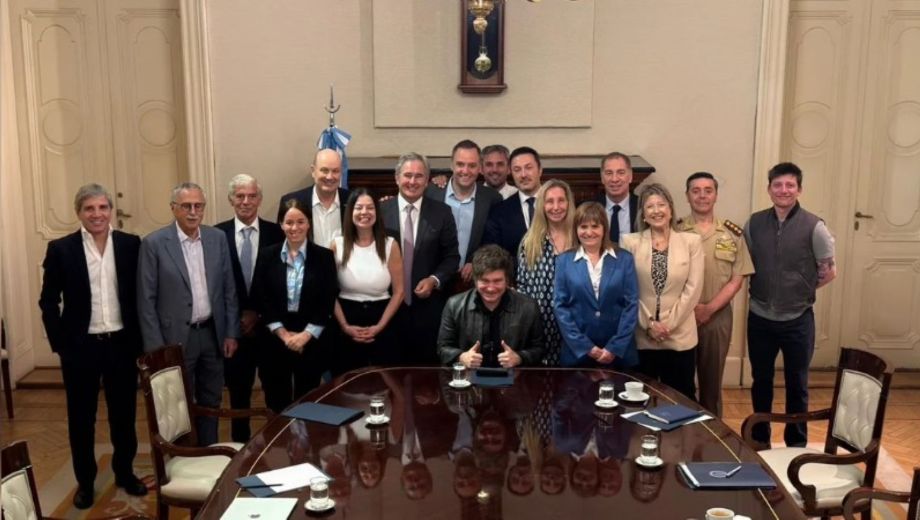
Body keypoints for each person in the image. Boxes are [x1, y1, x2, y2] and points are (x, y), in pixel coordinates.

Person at [38, 184, 148, 509]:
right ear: (79, 213)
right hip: (80, 347)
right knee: (81, 418)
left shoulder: (130, 245)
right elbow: (47, 301)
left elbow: (140, 295)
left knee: (124, 416)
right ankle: (85, 482)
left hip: (121, 345)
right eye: (90, 209)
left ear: (111, 211)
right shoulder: (61, 249)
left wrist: (141, 341)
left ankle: (125, 472)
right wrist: (60, 343)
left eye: (102, 208)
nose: (97, 214)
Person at [138, 182, 238, 446]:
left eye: (198, 206)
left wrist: (230, 332)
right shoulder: (154, 244)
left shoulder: (217, 238)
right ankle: (183, 459)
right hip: (174, 340)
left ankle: (209, 455)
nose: (193, 212)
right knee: (176, 405)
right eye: (186, 206)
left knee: (211, 399)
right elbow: (145, 301)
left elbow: (229, 289)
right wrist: (156, 349)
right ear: (174, 209)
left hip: (212, 334)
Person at [744, 162, 836, 447]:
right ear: (769, 189)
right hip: (759, 317)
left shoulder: (814, 226)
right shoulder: (754, 223)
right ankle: (760, 440)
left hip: (798, 320)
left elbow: (829, 271)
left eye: (790, 185)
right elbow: (745, 264)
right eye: (778, 185)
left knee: (798, 385)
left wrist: (800, 290)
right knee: (761, 381)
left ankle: (796, 444)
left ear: (799, 189)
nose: (783, 190)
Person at [676, 172, 754, 418]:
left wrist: (709, 309)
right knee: (681, 385)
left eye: (707, 190)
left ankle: (712, 441)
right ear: (687, 196)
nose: (702, 195)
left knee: (711, 386)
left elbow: (737, 278)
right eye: (695, 190)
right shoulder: (675, 231)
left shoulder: (732, 234)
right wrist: (691, 308)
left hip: (717, 318)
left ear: (716, 195)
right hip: (681, 317)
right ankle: (682, 437)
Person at [215, 174, 285, 442]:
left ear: (260, 199)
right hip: (234, 332)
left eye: (251, 196)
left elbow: (282, 283)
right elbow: (216, 286)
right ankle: (239, 454)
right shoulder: (216, 235)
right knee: (238, 398)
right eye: (240, 196)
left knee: (276, 395)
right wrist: (236, 318)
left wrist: (258, 313)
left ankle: (279, 448)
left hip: (269, 329)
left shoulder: (276, 233)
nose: (246, 201)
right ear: (231, 199)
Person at [253, 199, 339, 413]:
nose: (295, 228)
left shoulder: (324, 257)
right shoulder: (266, 255)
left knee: (307, 403)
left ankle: (305, 447)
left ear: (308, 223)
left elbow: (327, 300)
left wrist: (305, 336)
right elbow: (260, 297)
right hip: (274, 338)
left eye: (300, 221)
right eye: (289, 222)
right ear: (281, 224)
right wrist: (284, 335)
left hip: (311, 340)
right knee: (276, 402)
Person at [621, 183, 703, 401]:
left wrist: (667, 326)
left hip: (679, 337)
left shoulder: (691, 242)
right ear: (643, 214)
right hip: (642, 337)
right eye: (650, 206)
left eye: (661, 205)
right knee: (641, 402)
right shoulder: (630, 243)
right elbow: (628, 290)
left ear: (670, 209)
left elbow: (693, 289)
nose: (656, 210)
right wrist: (649, 324)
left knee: (681, 400)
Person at [381, 153, 460, 365]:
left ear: (427, 181)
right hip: (386, 309)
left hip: (427, 311)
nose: (412, 182)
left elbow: (452, 257)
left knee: (425, 380)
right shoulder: (379, 212)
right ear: (397, 178)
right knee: (389, 377)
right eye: (407, 175)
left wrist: (434, 279)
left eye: (419, 176)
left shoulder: (442, 213)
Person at [554, 202, 639, 369]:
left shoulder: (624, 259)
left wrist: (614, 347)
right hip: (577, 354)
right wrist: (587, 347)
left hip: (618, 354)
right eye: (583, 226)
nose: (589, 232)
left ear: (604, 229)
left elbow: (631, 305)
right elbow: (560, 307)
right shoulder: (564, 261)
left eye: (595, 226)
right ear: (576, 230)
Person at [330, 188, 404, 371]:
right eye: (359, 208)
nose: (364, 213)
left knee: (384, 383)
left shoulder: (390, 244)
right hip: (346, 317)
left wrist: (379, 326)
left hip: (383, 318)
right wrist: (346, 326)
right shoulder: (337, 244)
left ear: (377, 212)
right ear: (350, 212)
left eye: (370, 208)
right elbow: (328, 291)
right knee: (347, 383)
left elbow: (399, 291)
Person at [437, 245, 545, 368]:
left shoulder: (528, 306)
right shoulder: (454, 305)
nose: (491, 288)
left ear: (507, 281)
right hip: (469, 381)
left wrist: (519, 358)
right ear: (475, 280)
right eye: (485, 281)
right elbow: (443, 348)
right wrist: (461, 357)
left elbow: (539, 349)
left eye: (497, 281)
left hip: (514, 381)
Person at [516, 179, 576, 366]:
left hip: (575, 326)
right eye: (550, 201)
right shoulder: (531, 240)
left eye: (561, 200)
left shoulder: (581, 237)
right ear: (542, 205)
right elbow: (522, 288)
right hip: (540, 326)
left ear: (569, 203)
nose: (556, 207)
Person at [425, 140, 502, 286]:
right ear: (451, 165)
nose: (465, 171)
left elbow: (494, 241)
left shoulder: (492, 199)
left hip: (471, 283)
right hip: (432, 282)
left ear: (480, 167)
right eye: (460, 164)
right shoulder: (431, 193)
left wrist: (478, 260)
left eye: (472, 165)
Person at [277, 148, 349, 248]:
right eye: (324, 170)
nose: (329, 177)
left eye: (335, 171)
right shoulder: (292, 201)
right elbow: (282, 246)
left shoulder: (353, 202)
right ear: (313, 171)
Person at [483, 146, 544, 258]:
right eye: (517, 170)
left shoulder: (557, 204)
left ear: (540, 170)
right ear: (511, 173)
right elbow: (494, 257)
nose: (523, 174)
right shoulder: (499, 212)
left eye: (528, 168)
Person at [597, 152, 639, 245]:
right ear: (602, 178)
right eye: (609, 173)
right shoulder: (590, 207)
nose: (614, 179)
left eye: (621, 172)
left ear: (630, 176)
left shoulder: (642, 207)